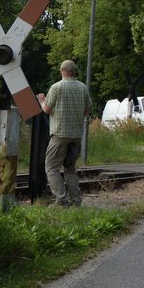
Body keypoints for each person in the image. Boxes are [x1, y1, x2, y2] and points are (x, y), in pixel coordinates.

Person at [36, 59, 92, 207]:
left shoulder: (56, 87)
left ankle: (61, 200)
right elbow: (88, 109)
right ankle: (76, 200)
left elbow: (47, 110)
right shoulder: (83, 88)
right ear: (74, 72)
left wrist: (42, 100)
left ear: (61, 71)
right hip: (76, 135)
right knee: (70, 167)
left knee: (52, 167)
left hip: (60, 134)